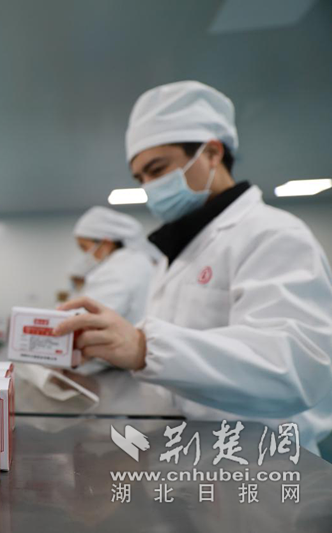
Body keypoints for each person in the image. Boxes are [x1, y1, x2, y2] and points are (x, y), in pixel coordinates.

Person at [55, 81, 332, 453]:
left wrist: (144, 347)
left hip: (260, 458)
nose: (149, 187)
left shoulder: (273, 234)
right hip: (192, 450)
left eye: (157, 169)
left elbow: (295, 368)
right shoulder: (178, 253)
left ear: (212, 153)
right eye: (141, 178)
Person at [71, 206, 159, 325]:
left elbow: (89, 318)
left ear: (106, 243)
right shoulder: (140, 260)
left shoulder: (115, 269)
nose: (85, 254)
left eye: (84, 247)